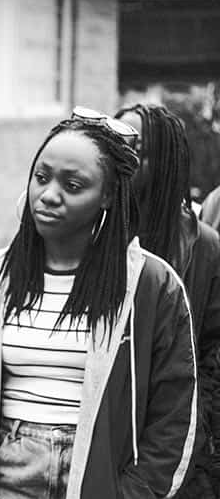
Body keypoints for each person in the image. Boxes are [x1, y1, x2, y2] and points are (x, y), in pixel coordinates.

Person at [0, 109, 198, 498]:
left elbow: (174, 409)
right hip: (4, 471)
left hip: (97, 475)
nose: (48, 195)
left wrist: (135, 493)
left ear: (108, 195)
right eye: (41, 178)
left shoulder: (150, 286)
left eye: (73, 186)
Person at [115, 103, 220, 496]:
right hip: (105, 430)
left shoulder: (203, 247)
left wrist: (197, 423)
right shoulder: (90, 231)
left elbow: (212, 349)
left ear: (163, 162)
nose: (120, 155)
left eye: (135, 147)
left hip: (175, 443)